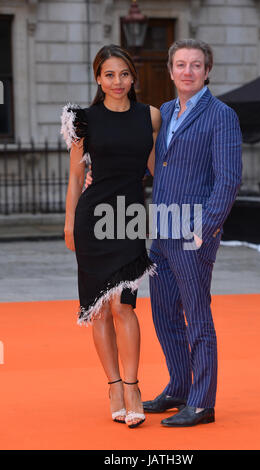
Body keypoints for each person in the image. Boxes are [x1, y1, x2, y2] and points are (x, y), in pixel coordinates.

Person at [142, 39, 242, 427]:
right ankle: (180, 387)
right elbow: (159, 166)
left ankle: (202, 403)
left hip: (193, 231)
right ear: (170, 71)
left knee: (197, 316)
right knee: (164, 313)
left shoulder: (222, 115)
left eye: (195, 65)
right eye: (181, 65)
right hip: (162, 228)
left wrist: (205, 229)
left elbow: (229, 179)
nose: (187, 71)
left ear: (207, 70)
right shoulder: (165, 112)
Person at [61, 44, 161, 428]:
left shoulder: (150, 117)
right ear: (97, 78)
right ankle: (114, 386)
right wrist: (69, 221)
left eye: (123, 74)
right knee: (100, 308)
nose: (117, 81)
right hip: (92, 218)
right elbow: (74, 175)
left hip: (129, 218)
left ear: (133, 77)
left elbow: (156, 167)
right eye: (109, 74)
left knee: (125, 306)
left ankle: (134, 386)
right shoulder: (83, 120)